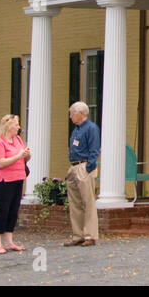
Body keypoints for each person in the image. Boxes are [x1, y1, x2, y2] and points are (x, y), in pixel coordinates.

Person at [0, 114, 29, 254]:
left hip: (18, 178)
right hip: (4, 181)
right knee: (3, 210)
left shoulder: (17, 139)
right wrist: (18, 156)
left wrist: (26, 154)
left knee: (13, 211)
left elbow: (25, 158)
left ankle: (9, 241)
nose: (18, 127)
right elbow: (0, 163)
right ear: (8, 126)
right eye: (16, 125)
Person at [64, 101, 101, 247]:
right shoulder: (76, 129)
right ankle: (78, 234)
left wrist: (89, 167)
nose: (70, 117)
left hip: (84, 166)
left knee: (88, 202)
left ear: (81, 114)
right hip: (73, 166)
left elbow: (94, 149)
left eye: (72, 113)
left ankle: (90, 235)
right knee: (75, 203)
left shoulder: (91, 128)